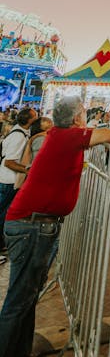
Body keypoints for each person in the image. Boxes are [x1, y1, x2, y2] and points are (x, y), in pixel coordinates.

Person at [0, 95, 110, 357]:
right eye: (84, 113)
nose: (86, 117)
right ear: (77, 118)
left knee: (27, 299)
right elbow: (106, 132)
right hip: (31, 227)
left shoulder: (61, 137)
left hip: (35, 225)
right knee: (18, 301)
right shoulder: (67, 137)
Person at [0, 107, 37, 258]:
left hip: (7, 180)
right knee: (2, 214)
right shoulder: (19, 137)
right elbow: (9, 162)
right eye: (35, 117)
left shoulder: (20, 133)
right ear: (29, 120)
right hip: (7, 181)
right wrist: (28, 171)